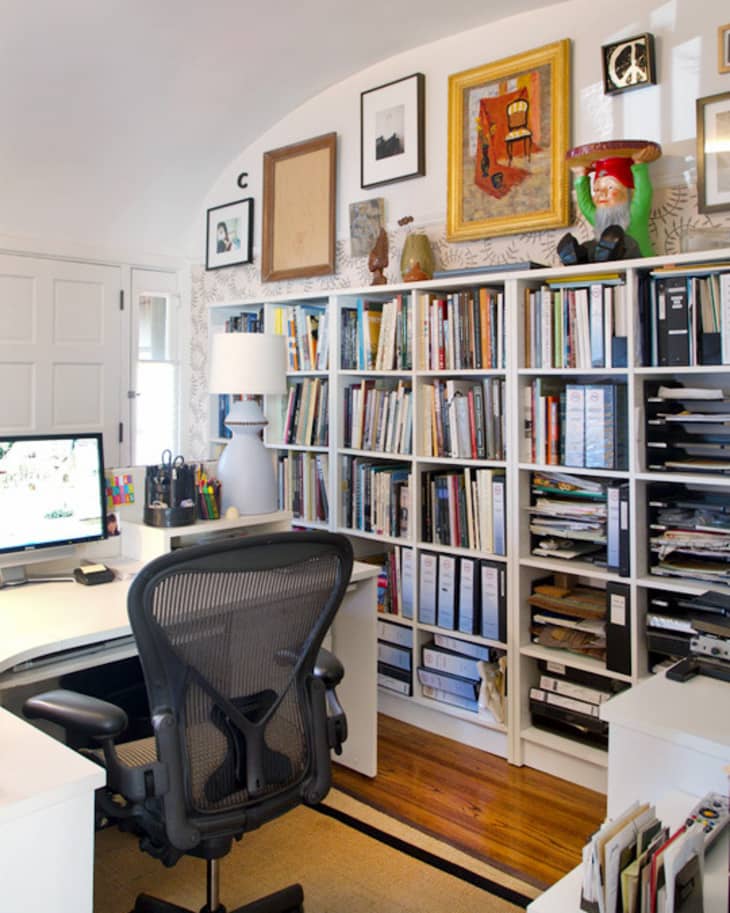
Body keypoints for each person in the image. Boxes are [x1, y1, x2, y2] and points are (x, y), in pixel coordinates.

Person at [557, 145, 657, 265]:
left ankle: (607, 253)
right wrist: (581, 175)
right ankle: (575, 259)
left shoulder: (635, 215)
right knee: (589, 247)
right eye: (597, 190)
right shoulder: (599, 217)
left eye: (610, 187)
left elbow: (644, 193)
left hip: (638, 261)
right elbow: (584, 204)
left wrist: (640, 165)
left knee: (613, 238)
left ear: (630, 191)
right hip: (604, 268)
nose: (602, 194)